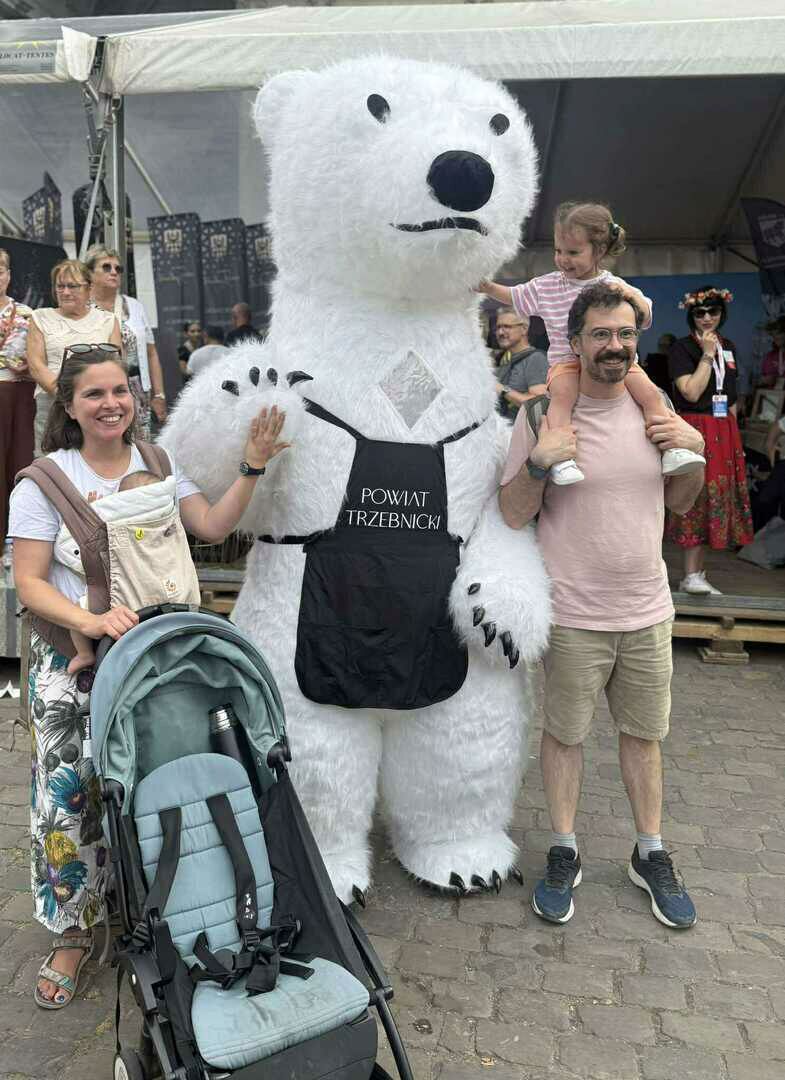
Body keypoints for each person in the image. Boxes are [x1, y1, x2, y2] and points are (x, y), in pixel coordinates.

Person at [9, 344, 289, 1009]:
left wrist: (251, 466)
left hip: (156, 657)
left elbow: (211, 524)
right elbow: (28, 582)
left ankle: (153, 904)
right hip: (75, 659)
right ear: (68, 406)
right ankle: (73, 933)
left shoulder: (158, 464)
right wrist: (91, 619)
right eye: (94, 394)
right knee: (70, 797)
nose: (111, 404)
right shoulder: (44, 481)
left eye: (120, 391)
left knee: (149, 782)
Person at [500, 281, 704, 929]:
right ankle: (563, 849)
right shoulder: (541, 414)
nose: (613, 345)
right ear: (575, 341)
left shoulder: (654, 408)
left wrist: (693, 453)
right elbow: (511, 514)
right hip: (571, 616)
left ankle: (650, 852)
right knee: (564, 736)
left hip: (647, 611)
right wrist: (538, 466)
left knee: (644, 738)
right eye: (599, 334)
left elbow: (681, 503)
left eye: (623, 334)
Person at [479, 202, 705, 485]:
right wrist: (487, 287)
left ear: (599, 251)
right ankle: (561, 458)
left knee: (650, 394)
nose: (563, 259)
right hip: (566, 362)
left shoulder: (614, 285)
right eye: (558, 251)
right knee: (562, 398)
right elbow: (515, 296)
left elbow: (645, 316)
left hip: (612, 360)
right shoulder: (547, 286)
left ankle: (672, 448)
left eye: (573, 252)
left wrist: (630, 296)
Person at [54, 468, 198, 675]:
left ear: (121, 499)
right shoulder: (167, 521)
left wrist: (93, 511)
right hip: (174, 598)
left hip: (127, 605)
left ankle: (84, 654)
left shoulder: (115, 521)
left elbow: (70, 551)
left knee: (80, 609)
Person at [667, 285, 753, 595]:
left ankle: (697, 573)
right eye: (699, 313)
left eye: (713, 312)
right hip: (695, 428)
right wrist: (706, 355)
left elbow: (730, 397)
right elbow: (690, 392)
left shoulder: (728, 346)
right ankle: (691, 575)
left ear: (721, 313)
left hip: (723, 430)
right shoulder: (682, 348)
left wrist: (735, 437)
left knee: (717, 497)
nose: (706, 318)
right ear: (691, 315)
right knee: (696, 495)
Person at [25, 260, 121, 455]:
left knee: (97, 459)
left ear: (89, 288)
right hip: (53, 406)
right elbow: (36, 365)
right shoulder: (40, 318)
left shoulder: (108, 320)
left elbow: (117, 366)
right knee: (52, 463)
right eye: (60, 286)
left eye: (73, 286)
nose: (66, 292)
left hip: (99, 408)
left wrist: (90, 399)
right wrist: (68, 398)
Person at [85, 245, 168, 438]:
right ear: (89, 273)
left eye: (118, 268)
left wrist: (159, 394)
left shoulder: (135, 305)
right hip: (98, 391)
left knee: (140, 445)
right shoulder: (83, 308)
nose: (114, 272)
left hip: (138, 390)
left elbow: (151, 353)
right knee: (106, 443)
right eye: (106, 267)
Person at [0, 247, 34, 543]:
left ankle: (18, 539)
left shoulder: (26, 313)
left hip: (20, 397)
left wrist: (29, 366)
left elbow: (35, 358)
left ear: (8, 275)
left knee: (20, 464)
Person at [493, 308, 547, 420]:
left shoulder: (536, 359)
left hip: (522, 429)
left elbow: (538, 406)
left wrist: (503, 391)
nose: (500, 332)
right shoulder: (504, 362)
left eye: (507, 327)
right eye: (498, 328)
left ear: (524, 329)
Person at [642, 332, 677, 398]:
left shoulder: (677, 362)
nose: (663, 348)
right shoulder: (652, 360)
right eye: (661, 345)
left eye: (666, 345)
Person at [759, 316, 785, 388]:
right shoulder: (770, 357)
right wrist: (763, 380)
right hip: (772, 394)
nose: (775, 337)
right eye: (773, 334)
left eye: (779, 332)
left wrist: (775, 378)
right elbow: (761, 379)